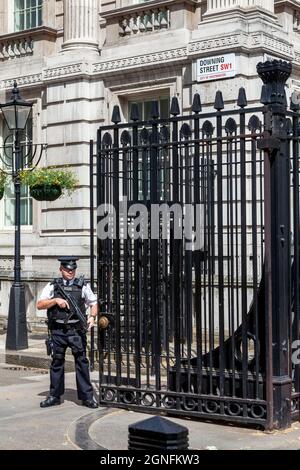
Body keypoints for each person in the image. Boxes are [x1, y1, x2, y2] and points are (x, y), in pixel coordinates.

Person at [37, 256, 98, 409]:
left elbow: (93, 302)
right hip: (58, 331)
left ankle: (87, 397)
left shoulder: (82, 285)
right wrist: (55, 301)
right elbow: (40, 304)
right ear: (61, 269)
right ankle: (54, 396)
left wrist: (92, 317)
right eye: (67, 269)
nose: (70, 272)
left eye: (73, 269)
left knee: (82, 362)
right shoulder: (53, 286)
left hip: (76, 330)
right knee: (57, 362)